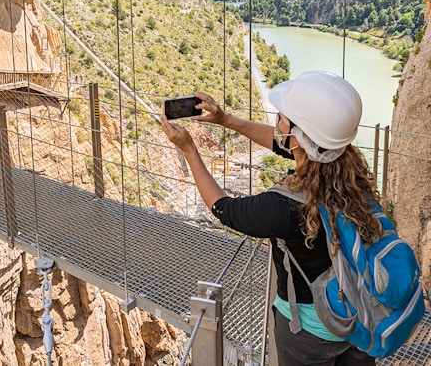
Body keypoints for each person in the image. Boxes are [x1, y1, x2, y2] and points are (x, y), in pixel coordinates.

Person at [160, 70, 382, 366]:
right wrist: (226, 120)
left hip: (311, 333)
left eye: (282, 118)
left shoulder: (285, 206)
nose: (277, 120)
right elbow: (283, 143)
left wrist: (189, 149)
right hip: (363, 317)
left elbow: (223, 208)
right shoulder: (347, 170)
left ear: (299, 137)